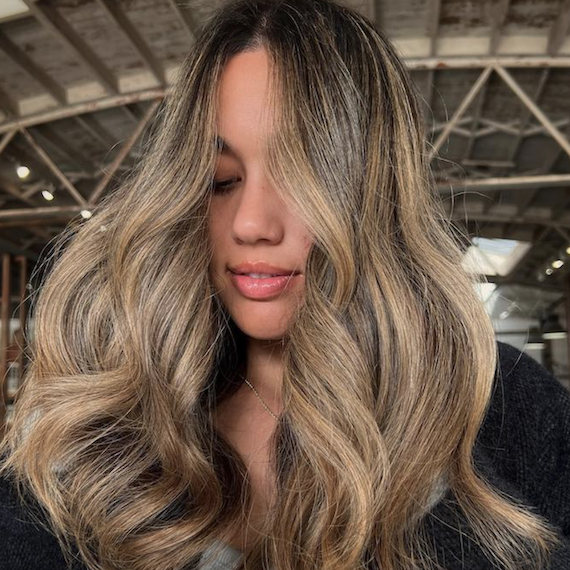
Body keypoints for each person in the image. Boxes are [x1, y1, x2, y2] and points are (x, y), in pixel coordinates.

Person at [0, 0, 569, 569]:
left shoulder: (508, 408)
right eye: (222, 181)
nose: (250, 224)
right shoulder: (102, 423)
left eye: (299, 179)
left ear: (376, 192)